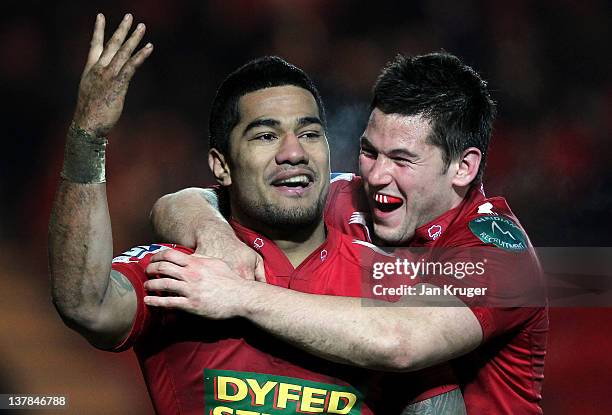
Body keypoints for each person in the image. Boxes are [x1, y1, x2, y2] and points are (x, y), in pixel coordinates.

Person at [48, 14, 464, 414]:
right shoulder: (184, 269)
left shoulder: (388, 282)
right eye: (266, 135)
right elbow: (86, 304)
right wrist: (88, 137)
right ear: (222, 165)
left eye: (309, 133)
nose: (293, 152)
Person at [150, 53, 548, 414]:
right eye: (370, 151)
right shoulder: (351, 198)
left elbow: (401, 340)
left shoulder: (499, 255)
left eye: (402, 160)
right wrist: (212, 233)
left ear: (463, 167)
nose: (375, 175)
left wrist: (240, 296)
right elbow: (184, 201)